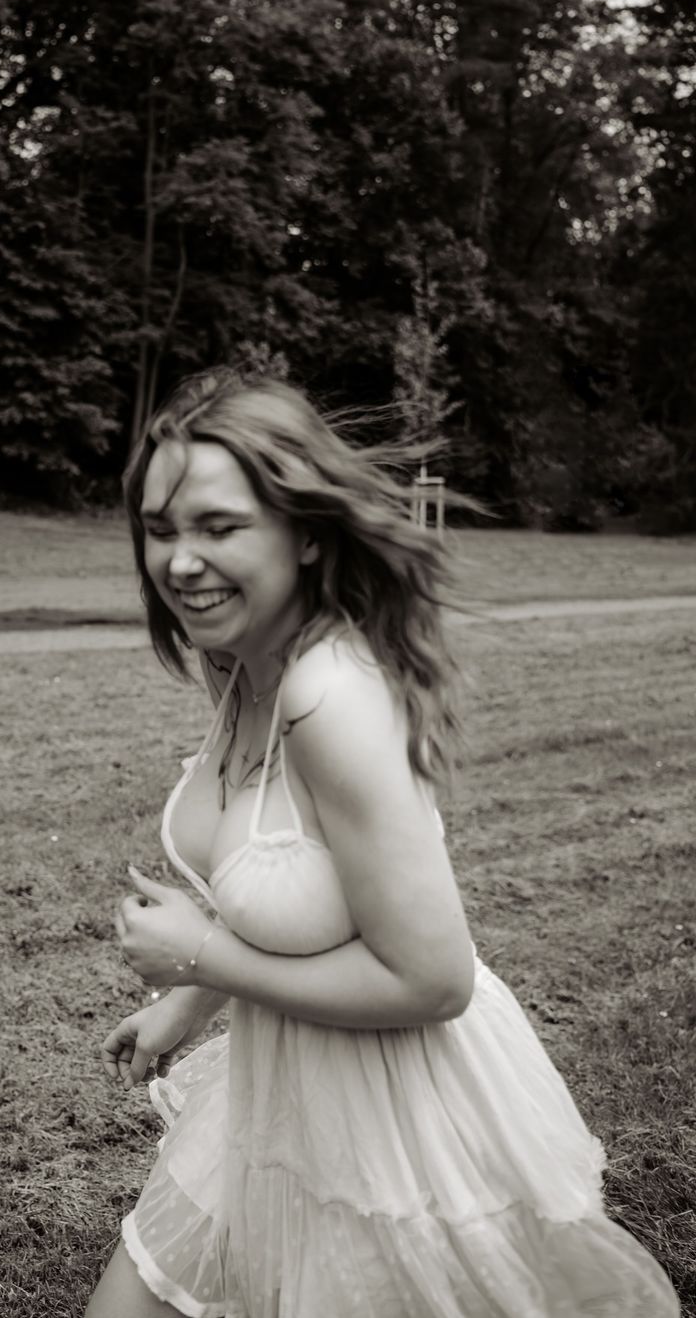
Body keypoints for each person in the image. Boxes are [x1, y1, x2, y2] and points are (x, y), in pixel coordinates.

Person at [83, 368, 680, 1318]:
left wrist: (200, 957)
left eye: (219, 527)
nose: (181, 562)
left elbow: (433, 981)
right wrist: (188, 1005)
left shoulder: (331, 698)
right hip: (288, 1084)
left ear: (306, 533)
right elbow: (301, 892)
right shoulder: (240, 663)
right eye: (161, 530)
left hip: (397, 1121)